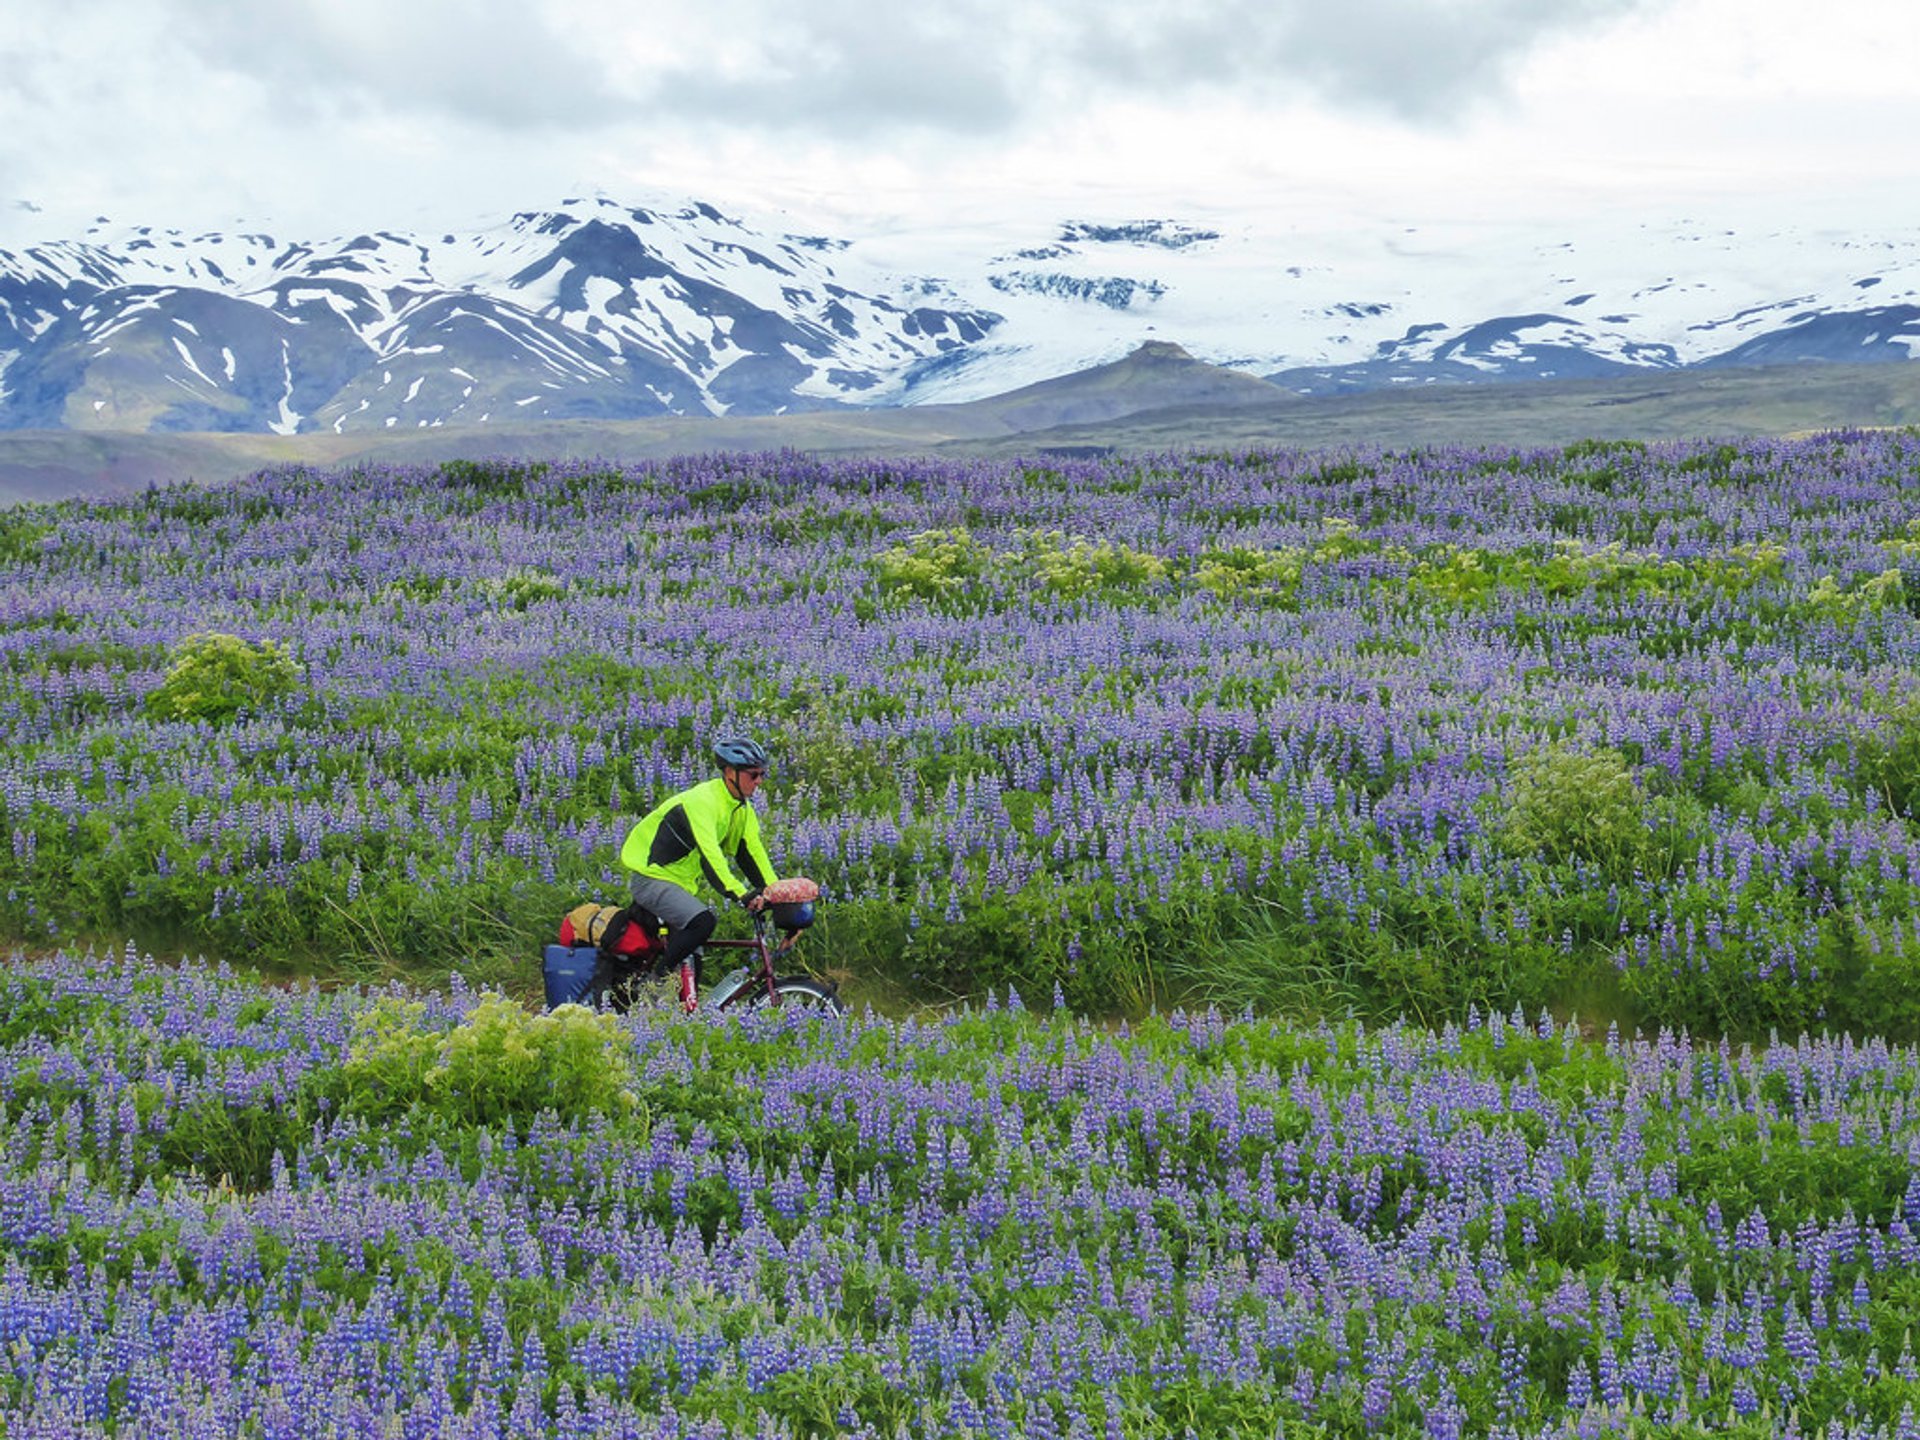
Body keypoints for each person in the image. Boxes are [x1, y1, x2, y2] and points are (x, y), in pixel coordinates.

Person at [612, 736, 778, 1007]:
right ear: (729, 773)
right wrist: (742, 895)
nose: (759, 781)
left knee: (693, 955)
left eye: (762, 774)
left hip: (678, 884)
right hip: (651, 878)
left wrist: (777, 892)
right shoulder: (703, 801)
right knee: (703, 921)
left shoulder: (741, 809)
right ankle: (656, 983)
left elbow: (752, 854)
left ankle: (684, 1012)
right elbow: (712, 857)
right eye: (753, 774)